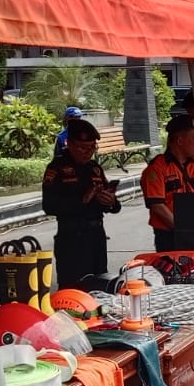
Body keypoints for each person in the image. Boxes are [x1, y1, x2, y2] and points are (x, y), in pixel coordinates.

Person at [42, 118, 120, 288]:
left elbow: (112, 204)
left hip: (96, 235)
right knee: (74, 288)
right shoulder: (57, 168)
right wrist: (82, 200)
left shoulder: (94, 168)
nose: (88, 152)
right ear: (69, 143)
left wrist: (111, 202)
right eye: (83, 148)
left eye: (92, 148)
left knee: (101, 285)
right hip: (72, 238)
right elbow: (48, 205)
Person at [140, 113, 194, 252]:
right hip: (169, 236)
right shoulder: (157, 168)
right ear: (180, 140)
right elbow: (157, 205)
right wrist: (183, 229)